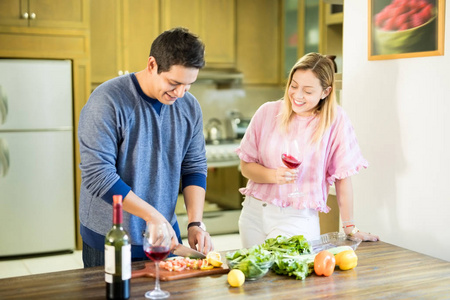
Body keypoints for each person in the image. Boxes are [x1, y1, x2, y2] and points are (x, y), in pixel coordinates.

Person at [78, 27, 213, 267]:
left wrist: (195, 222)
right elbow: (98, 175)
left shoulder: (190, 107)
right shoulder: (107, 100)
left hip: (164, 236)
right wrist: (152, 216)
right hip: (112, 237)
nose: (181, 93)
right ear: (152, 65)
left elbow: (194, 166)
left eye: (189, 84)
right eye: (174, 82)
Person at [236, 52, 379, 248]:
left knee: (289, 277)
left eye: (308, 91)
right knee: (252, 276)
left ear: (325, 92)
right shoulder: (267, 112)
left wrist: (350, 227)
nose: (297, 95)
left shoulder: (335, 121)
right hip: (253, 214)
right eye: (293, 86)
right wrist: (274, 175)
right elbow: (246, 167)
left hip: (297, 218)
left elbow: (342, 177)